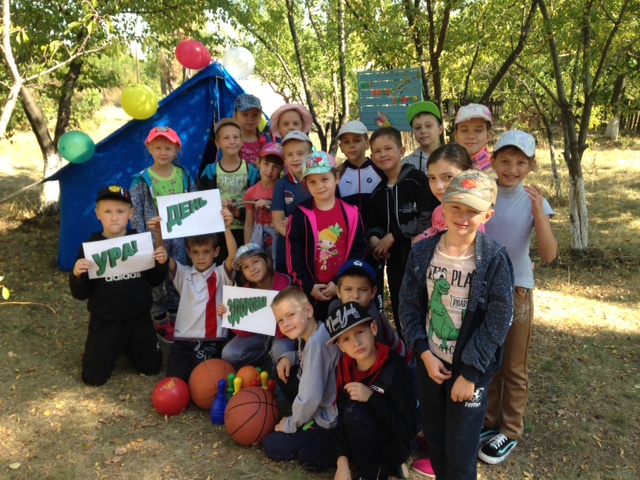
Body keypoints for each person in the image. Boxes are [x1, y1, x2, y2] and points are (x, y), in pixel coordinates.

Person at [399, 170, 515, 480]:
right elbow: (408, 307)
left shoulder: (493, 259)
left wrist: (471, 373)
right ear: (443, 206)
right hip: (431, 365)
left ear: (487, 215)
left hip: (469, 373)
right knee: (436, 440)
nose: (463, 217)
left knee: (461, 447)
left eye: (473, 211)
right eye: (456, 207)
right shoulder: (422, 253)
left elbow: (498, 319)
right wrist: (423, 353)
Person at [479, 130, 558, 464]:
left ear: (531, 165)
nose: (512, 169)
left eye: (521, 162)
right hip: (482, 287)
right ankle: (489, 421)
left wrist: (539, 212)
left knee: (513, 364)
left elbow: (549, 255)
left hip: (516, 290)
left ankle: (510, 430)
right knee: (489, 360)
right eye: (505, 160)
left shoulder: (534, 200)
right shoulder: (483, 190)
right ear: (493, 160)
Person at [70, 186, 168, 386]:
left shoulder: (139, 242)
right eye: (107, 211)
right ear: (97, 214)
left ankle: (129, 345)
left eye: (120, 211)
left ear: (131, 213)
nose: (114, 217)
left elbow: (154, 280)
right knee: (93, 378)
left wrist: (161, 262)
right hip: (105, 321)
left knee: (152, 368)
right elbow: (80, 294)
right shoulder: (90, 247)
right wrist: (77, 275)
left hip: (139, 319)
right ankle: (114, 345)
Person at [327, 301, 418, 480]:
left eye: (359, 332)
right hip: (361, 435)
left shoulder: (396, 370)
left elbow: (408, 429)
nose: (356, 343)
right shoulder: (344, 368)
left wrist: (372, 398)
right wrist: (342, 462)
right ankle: (355, 463)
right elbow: (342, 417)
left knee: (355, 412)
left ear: (373, 328)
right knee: (313, 451)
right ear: (340, 347)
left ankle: (375, 473)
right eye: (346, 339)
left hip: (395, 443)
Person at [147, 208, 237, 383]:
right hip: (182, 341)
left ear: (216, 252)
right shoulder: (183, 273)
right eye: (195, 252)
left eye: (206, 251)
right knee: (175, 381)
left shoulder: (220, 274)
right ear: (188, 253)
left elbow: (233, 257)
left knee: (202, 384)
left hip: (212, 340)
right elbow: (163, 257)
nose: (201, 257)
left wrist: (226, 227)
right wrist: (159, 233)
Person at [366, 126, 439, 341]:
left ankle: (429, 353)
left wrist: (393, 237)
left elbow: (427, 218)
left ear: (402, 151)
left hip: (423, 260)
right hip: (395, 264)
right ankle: (408, 353)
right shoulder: (378, 191)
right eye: (377, 151)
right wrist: (375, 240)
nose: (383, 154)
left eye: (388, 148)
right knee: (401, 310)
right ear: (372, 157)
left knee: (426, 309)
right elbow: (374, 224)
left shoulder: (417, 179)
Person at [262, 286, 340, 471]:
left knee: (272, 445)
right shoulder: (313, 332)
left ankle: (327, 444)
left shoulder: (317, 344)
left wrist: (290, 424)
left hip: (328, 417)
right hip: (319, 402)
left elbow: (310, 397)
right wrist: (289, 357)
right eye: (280, 320)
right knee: (281, 369)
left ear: (308, 311)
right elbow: (304, 357)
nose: (286, 323)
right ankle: (307, 431)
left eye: (291, 315)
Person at [130, 126, 197, 342]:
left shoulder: (183, 175)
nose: (163, 152)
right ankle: (159, 320)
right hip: (152, 239)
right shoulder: (142, 179)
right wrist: (141, 240)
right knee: (155, 280)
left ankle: (177, 316)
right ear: (149, 148)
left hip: (179, 238)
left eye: (168, 148)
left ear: (176, 149)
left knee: (177, 275)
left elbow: (194, 203)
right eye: (158, 147)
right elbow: (136, 212)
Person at [286, 151, 367, 323]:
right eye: (312, 182)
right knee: (316, 333)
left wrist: (339, 282)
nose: (319, 186)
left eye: (324, 179)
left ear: (336, 178)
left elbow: (359, 251)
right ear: (306, 184)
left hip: (343, 290)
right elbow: (294, 256)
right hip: (311, 292)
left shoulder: (352, 213)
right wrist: (309, 286)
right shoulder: (300, 215)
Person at [217, 243, 294, 370]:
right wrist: (229, 315)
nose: (252, 268)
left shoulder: (285, 286)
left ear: (267, 262)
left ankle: (275, 357)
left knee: (280, 354)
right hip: (259, 336)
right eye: (246, 267)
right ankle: (267, 357)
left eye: (256, 261)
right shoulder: (245, 292)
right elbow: (245, 332)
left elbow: (291, 326)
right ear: (243, 273)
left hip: (283, 333)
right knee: (228, 353)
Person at [198, 118, 260, 268]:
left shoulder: (252, 171)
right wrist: (218, 207)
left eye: (236, 137)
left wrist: (238, 213)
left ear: (241, 141)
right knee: (222, 272)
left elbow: (257, 206)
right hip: (218, 234)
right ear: (218, 143)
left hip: (246, 232)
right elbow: (202, 206)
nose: (232, 141)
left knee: (245, 272)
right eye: (226, 138)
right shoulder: (209, 171)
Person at [332, 259, 409, 363]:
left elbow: (396, 347)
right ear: (338, 291)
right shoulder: (333, 314)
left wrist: (408, 366)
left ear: (373, 292)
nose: (355, 296)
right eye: (348, 289)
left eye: (363, 290)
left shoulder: (377, 319)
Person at [414, 144, 476, 243]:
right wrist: (424, 235)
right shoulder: (438, 210)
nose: (438, 186)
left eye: (448, 177)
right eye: (432, 178)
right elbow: (435, 230)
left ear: (468, 174)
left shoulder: (472, 217)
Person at [271, 130, 313, 273]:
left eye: (300, 153)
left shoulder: (319, 182)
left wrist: (293, 222)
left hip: (316, 249)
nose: (295, 159)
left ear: (310, 154)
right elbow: (278, 222)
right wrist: (297, 239)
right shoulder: (281, 185)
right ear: (284, 159)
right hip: (288, 252)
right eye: (289, 154)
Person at [243, 142, 284, 263]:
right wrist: (247, 248)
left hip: (277, 241)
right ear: (258, 162)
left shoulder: (282, 189)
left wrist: (270, 202)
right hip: (257, 241)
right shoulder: (251, 192)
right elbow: (248, 223)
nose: (269, 171)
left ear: (281, 169)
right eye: (266, 164)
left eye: (275, 166)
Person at [404, 101, 444, 175]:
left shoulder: (451, 158)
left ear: (440, 129)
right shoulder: (406, 164)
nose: (423, 131)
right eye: (417, 127)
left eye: (428, 126)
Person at [453, 103, 494, 175]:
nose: (471, 136)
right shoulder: (450, 163)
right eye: (464, 130)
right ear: (456, 136)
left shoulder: (494, 167)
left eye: (478, 130)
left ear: (488, 136)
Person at [233, 93, 270, 167]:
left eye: (255, 115)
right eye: (245, 114)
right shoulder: (229, 140)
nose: (250, 119)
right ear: (235, 116)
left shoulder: (267, 140)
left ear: (260, 116)